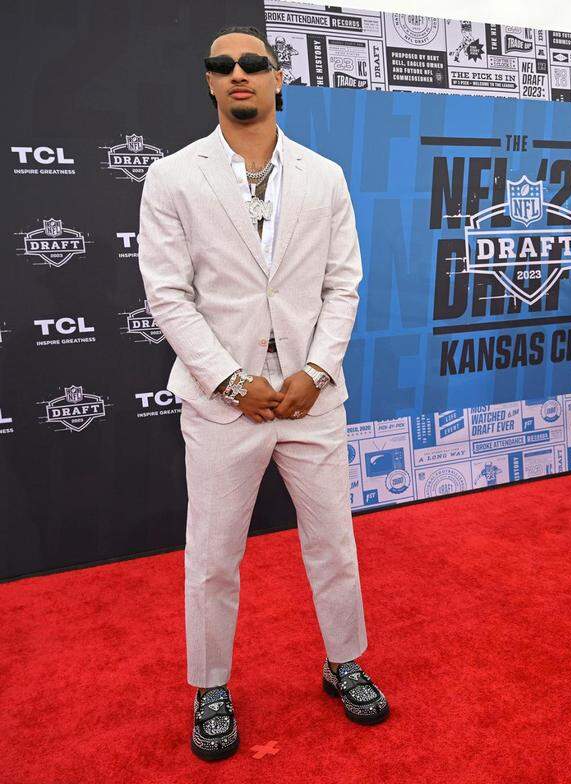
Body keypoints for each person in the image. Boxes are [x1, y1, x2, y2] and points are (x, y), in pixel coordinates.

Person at [138, 26, 386, 762]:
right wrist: (233, 380)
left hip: (313, 398)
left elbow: (344, 284)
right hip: (222, 404)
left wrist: (316, 370)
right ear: (209, 83)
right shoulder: (173, 176)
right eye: (223, 66)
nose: (238, 73)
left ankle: (343, 662)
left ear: (279, 79)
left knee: (333, 545)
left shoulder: (325, 176)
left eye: (253, 63)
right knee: (213, 555)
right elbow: (168, 296)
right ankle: (211, 686)